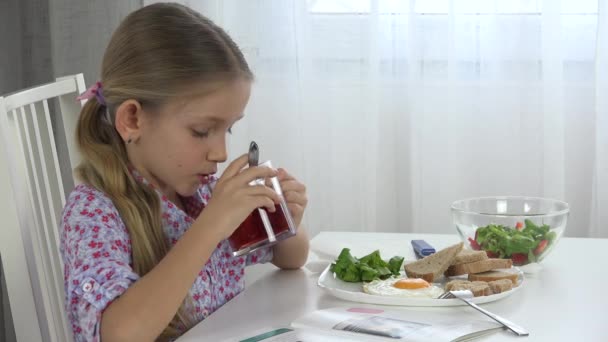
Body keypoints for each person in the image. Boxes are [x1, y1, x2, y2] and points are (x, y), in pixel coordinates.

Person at [60, 3, 309, 341]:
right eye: (201, 131)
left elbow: (291, 259)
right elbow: (119, 334)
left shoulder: (205, 194)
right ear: (133, 120)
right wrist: (209, 228)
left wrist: (288, 220)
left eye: (229, 130)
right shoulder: (95, 211)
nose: (220, 153)